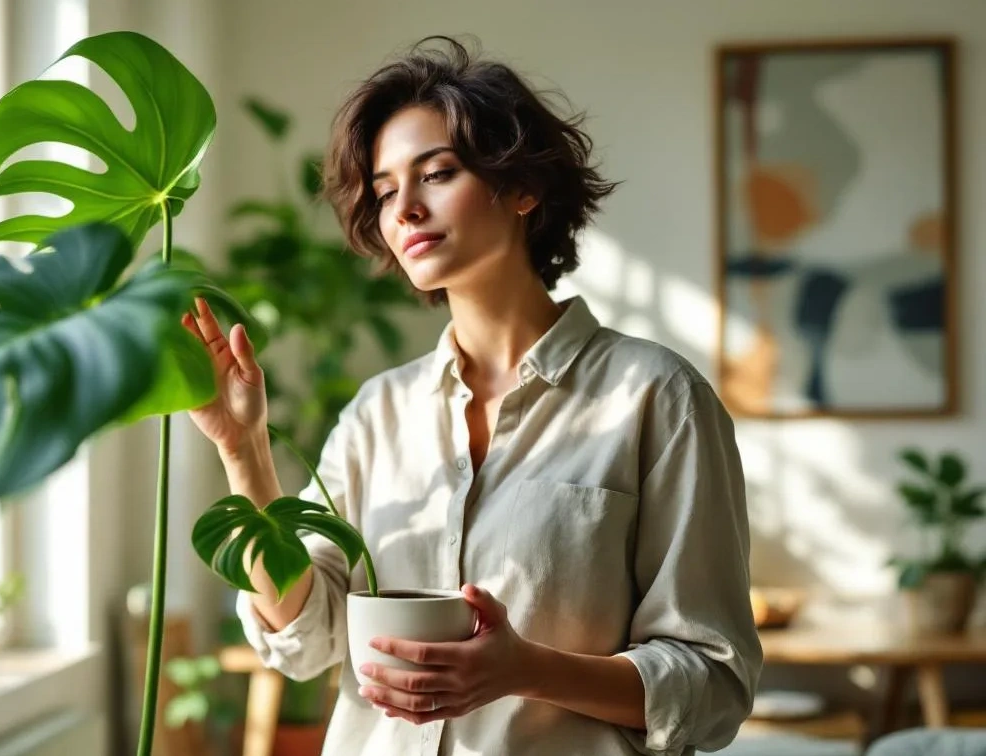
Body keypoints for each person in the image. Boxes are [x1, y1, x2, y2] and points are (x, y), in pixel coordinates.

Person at [182, 35, 761, 756]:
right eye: (387, 191)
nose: (405, 210)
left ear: (523, 187)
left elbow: (712, 685)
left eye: (438, 173)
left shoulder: (657, 398)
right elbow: (307, 640)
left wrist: (523, 670)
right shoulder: (376, 414)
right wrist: (245, 451)